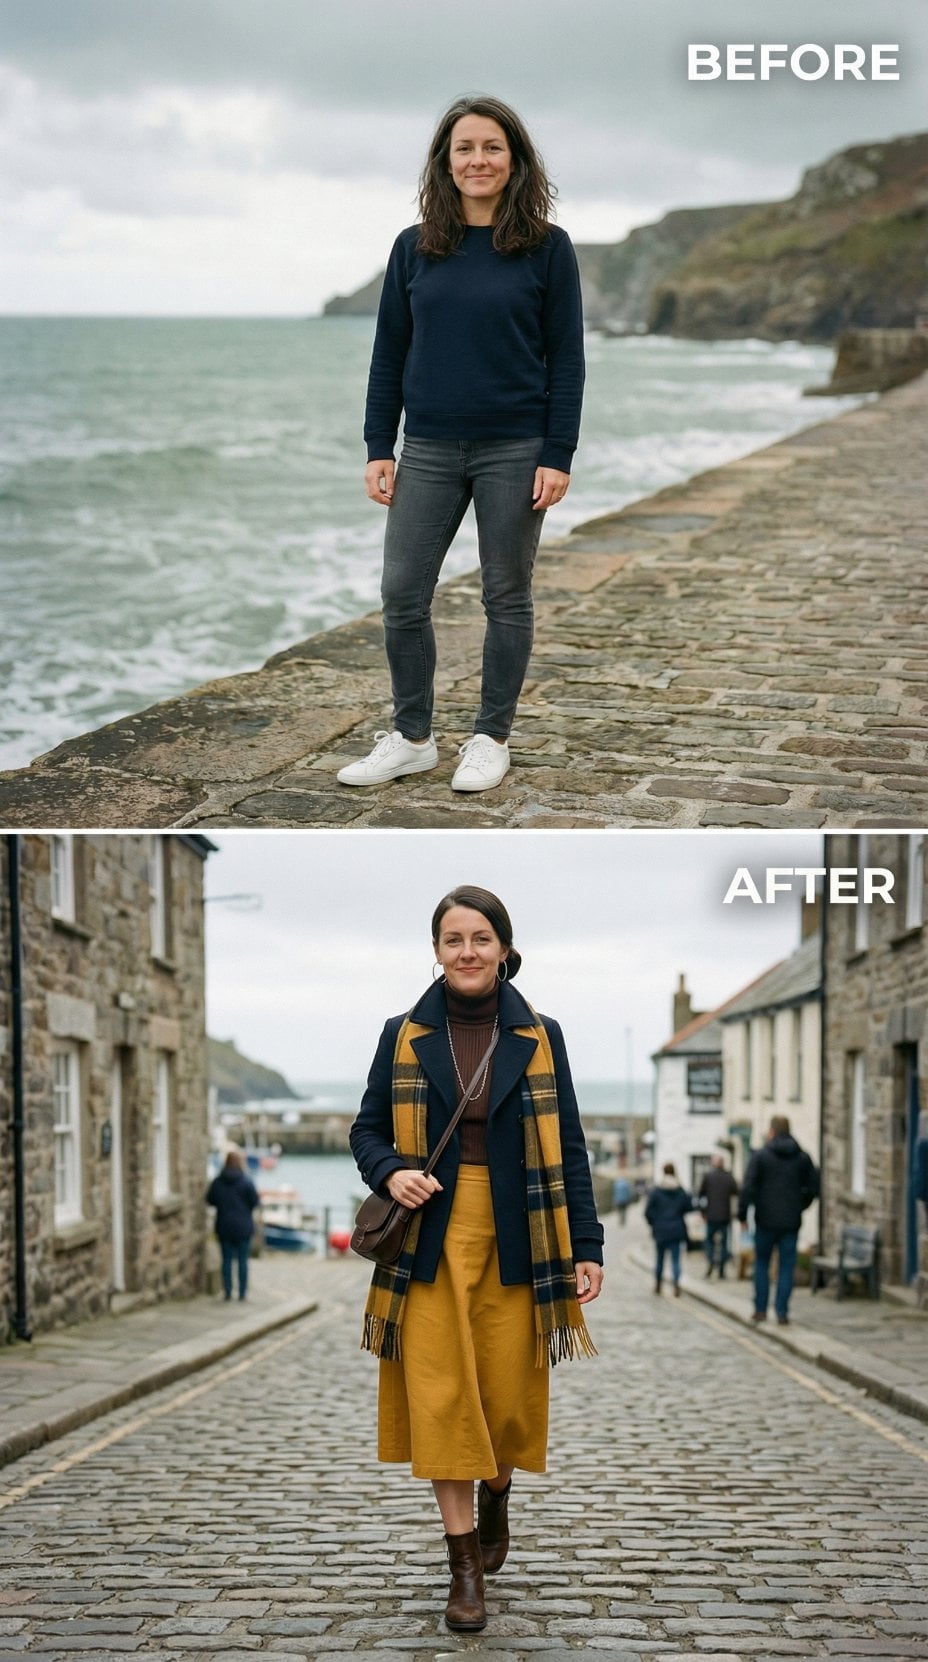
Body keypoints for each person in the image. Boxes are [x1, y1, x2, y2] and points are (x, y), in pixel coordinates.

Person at [349, 885, 603, 1633]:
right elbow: (366, 1130)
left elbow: (574, 1148)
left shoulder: (541, 1034)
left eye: (480, 938)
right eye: (453, 939)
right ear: (436, 951)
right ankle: (463, 1566)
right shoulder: (402, 1033)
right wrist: (391, 1169)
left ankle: (498, 1494)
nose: (467, 951)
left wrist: (585, 1245)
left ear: (503, 949)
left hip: (522, 1231)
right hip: (430, 1239)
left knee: (502, 1404)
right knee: (441, 1397)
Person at [337, 95, 585, 796]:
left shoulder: (546, 247)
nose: (478, 160)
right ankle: (413, 737)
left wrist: (557, 453)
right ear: (446, 163)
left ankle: (490, 736)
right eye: (464, 149)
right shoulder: (415, 246)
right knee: (402, 593)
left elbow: (567, 359)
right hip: (431, 449)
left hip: (516, 448)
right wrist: (377, 444)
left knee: (506, 595)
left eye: (492, 147)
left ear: (515, 160)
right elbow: (389, 353)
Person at [738, 1115, 820, 1326]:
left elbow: (748, 1187)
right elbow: (813, 1187)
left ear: (772, 1131)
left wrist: (742, 1214)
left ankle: (760, 1309)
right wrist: (800, 1205)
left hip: (765, 1219)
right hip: (790, 1221)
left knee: (762, 1264)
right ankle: (782, 1311)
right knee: (786, 1267)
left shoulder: (761, 1156)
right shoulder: (802, 1157)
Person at [205, 1147, 260, 1301]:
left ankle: (228, 1291)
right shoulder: (246, 1181)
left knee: (227, 1260)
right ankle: (242, 1293)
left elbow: (210, 1200)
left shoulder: (217, 1181)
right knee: (242, 1260)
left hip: (224, 1225)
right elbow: (255, 1202)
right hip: (243, 1226)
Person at [644, 1162, 694, 1297]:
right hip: (676, 1229)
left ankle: (658, 1285)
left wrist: (654, 1223)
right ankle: (676, 1286)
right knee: (676, 1260)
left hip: (660, 1230)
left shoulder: (656, 1191)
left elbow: (648, 1211)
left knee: (659, 1259)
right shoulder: (680, 1190)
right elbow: (689, 1207)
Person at [697, 1154, 739, 1278]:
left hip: (711, 1215)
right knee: (724, 1243)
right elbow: (736, 1192)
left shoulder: (708, 1176)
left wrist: (702, 1212)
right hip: (725, 1216)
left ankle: (711, 1261)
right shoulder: (728, 1177)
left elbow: (701, 1195)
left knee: (709, 1242)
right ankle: (721, 1269)